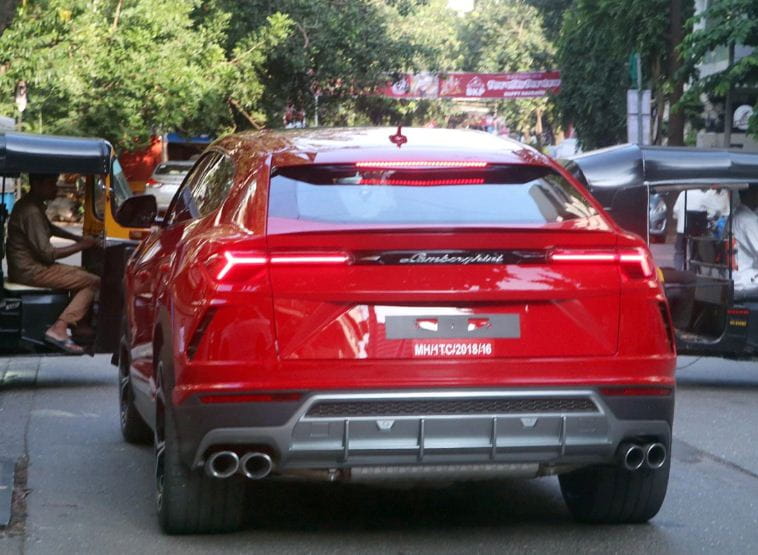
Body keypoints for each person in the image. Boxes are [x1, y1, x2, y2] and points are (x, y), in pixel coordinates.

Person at [6, 173, 100, 353]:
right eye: (51, 183)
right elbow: (48, 254)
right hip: (31, 271)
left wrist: (77, 238)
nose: (55, 188)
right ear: (37, 183)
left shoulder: (32, 205)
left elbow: (49, 228)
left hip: (28, 268)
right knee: (93, 282)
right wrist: (82, 245)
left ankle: (78, 326)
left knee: (81, 273)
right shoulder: (31, 211)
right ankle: (60, 327)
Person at [672, 188, 730, 270]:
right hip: (695, 230)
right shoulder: (703, 196)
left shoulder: (683, 193)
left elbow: (676, 209)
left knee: (679, 251)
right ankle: (692, 272)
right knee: (694, 252)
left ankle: (677, 270)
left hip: (681, 228)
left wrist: (679, 218)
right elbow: (714, 210)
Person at [732, 184, 758, 299]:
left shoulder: (737, 215)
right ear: (752, 195)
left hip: (737, 276)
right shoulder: (747, 220)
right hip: (744, 280)